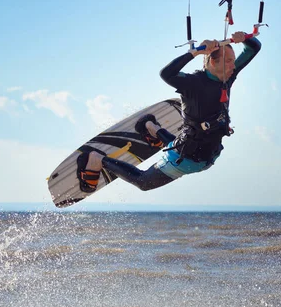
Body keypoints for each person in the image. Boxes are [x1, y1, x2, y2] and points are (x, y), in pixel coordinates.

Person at [76, 31, 262, 193]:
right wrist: (196, 51)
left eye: (232, 61)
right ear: (212, 62)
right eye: (228, 61)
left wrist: (243, 37)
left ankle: (150, 127)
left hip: (209, 155)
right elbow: (166, 73)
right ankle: (97, 159)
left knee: (192, 134)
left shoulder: (227, 78)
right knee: (143, 182)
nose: (233, 65)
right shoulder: (192, 83)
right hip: (185, 158)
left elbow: (254, 47)